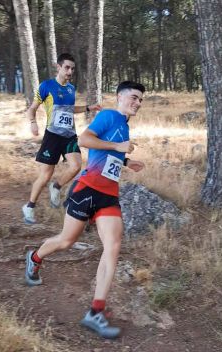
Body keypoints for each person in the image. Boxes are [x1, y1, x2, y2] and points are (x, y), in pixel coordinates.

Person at [25, 81, 145, 339]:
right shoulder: (109, 115)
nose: (137, 103)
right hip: (87, 190)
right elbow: (85, 139)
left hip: (108, 196)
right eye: (134, 97)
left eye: (140, 100)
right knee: (66, 241)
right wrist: (117, 148)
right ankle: (35, 258)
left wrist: (126, 161)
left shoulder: (123, 125)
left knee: (112, 246)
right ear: (120, 97)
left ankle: (95, 311)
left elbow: (106, 152)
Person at [22, 53, 101, 224]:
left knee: (76, 166)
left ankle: (56, 187)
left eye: (72, 68)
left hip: (69, 135)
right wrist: (33, 122)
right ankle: (29, 207)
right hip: (53, 135)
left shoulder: (71, 89)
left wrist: (89, 108)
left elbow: (69, 109)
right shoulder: (47, 86)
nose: (70, 71)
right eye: (67, 67)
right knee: (45, 175)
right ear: (58, 67)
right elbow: (32, 108)